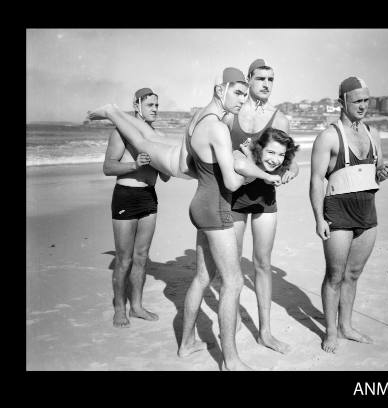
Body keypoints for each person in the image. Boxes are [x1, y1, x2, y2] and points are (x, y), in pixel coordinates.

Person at [87, 68, 281, 370]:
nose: (243, 100)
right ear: (221, 90)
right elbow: (230, 183)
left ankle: (187, 343)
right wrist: (251, 171)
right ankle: (230, 359)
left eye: (245, 94)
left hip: (201, 202)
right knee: (232, 283)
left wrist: (246, 163)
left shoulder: (204, 117)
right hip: (214, 206)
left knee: (203, 277)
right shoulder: (217, 126)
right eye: (239, 93)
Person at [309, 76, 388, 353]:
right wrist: (319, 219)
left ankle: (346, 326)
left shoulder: (373, 133)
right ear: (342, 101)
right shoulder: (328, 136)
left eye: (366, 100)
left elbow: (375, 174)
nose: (363, 106)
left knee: (354, 273)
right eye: (357, 100)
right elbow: (315, 181)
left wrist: (382, 174)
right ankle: (331, 331)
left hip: (367, 210)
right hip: (338, 210)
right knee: (335, 275)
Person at [223, 59, 299, 354]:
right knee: (232, 267)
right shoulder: (232, 115)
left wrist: (290, 173)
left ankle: (265, 332)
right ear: (249, 79)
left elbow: (291, 163)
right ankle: (232, 319)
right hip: (236, 197)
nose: (267, 84)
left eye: (271, 80)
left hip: (266, 198)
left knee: (262, 263)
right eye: (261, 79)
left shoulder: (279, 119)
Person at [103, 87, 170, 328]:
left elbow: (165, 178)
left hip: (148, 197)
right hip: (126, 196)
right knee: (124, 259)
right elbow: (108, 167)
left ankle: (137, 306)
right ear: (137, 105)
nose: (154, 109)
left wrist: (164, 166)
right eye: (150, 105)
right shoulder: (121, 133)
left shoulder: (156, 136)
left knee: (142, 257)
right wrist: (134, 165)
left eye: (156, 105)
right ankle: (120, 308)